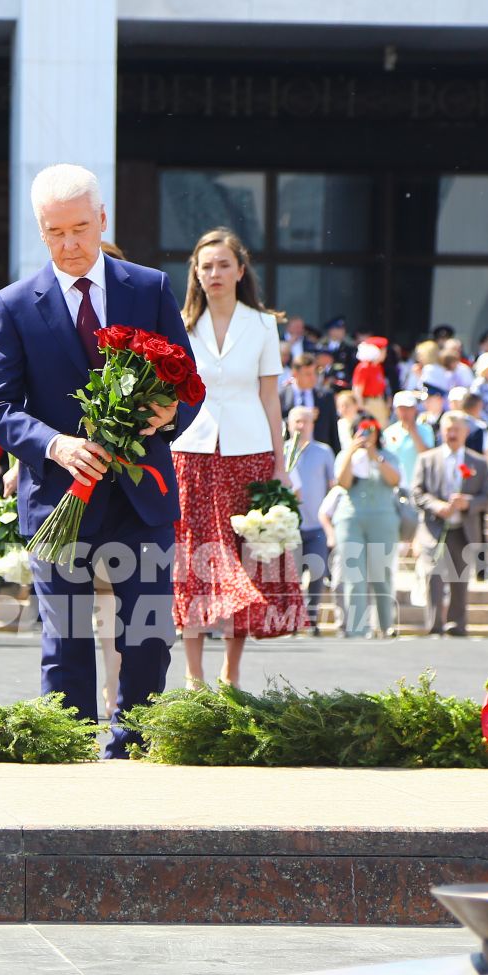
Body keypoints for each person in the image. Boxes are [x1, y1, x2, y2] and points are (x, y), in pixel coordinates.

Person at [0, 163, 193, 757]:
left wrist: (166, 415)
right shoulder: (14, 304)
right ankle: (65, 752)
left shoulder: (147, 289)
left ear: (102, 220)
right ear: (39, 231)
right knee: (65, 639)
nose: (68, 244)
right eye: (54, 233)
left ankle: (132, 745)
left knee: (148, 634)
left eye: (78, 228)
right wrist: (55, 444)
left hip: (140, 494)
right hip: (58, 497)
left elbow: (188, 384)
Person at [168, 227, 299, 687]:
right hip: (190, 453)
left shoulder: (263, 325)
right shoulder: (178, 324)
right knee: (193, 561)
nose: (215, 273)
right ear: (196, 275)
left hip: (249, 455)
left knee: (243, 561)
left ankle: (231, 671)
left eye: (224, 264)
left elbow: (270, 399)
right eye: (206, 266)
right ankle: (193, 676)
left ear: (241, 271)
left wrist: (280, 466)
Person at [411, 410, 488, 635]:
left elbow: (487, 496)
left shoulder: (478, 462)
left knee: (460, 579)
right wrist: (436, 505)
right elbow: (416, 492)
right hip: (434, 528)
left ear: (465, 432)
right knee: (433, 576)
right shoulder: (427, 459)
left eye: (457, 430)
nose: (452, 434)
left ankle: (457, 624)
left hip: (463, 529)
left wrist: (468, 503)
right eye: (448, 430)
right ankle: (435, 624)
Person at [329, 414, 401, 637]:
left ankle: (386, 624)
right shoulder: (346, 456)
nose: (367, 435)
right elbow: (343, 482)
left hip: (382, 518)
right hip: (351, 518)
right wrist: (352, 451)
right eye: (362, 430)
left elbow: (394, 480)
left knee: (381, 574)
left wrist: (374, 455)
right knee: (354, 575)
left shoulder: (387, 456)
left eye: (371, 429)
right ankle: (357, 628)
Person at [284, 404, 335, 634]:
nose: (302, 426)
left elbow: (332, 487)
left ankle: (311, 618)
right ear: (289, 424)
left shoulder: (324, 452)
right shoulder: (282, 452)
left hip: (316, 526)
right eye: (297, 422)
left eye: (306, 422)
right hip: (289, 527)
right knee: (291, 576)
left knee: (317, 572)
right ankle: (292, 621)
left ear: (313, 425)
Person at [278, 351, 335, 449]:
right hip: (288, 450)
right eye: (308, 374)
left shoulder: (325, 396)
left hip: (318, 453)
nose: (313, 378)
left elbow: (333, 430)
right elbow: (277, 424)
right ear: (295, 374)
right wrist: (301, 419)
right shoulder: (281, 396)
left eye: (315, 373)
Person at [382, 389, 433, 483]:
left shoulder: (426, 430)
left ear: (415, 409)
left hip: (419, 484)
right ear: (396, 410)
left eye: (408, 408)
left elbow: (427, 457)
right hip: (397, 486)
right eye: (401, 409)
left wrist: (413, 432)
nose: (405, 413)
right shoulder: (388, 433)